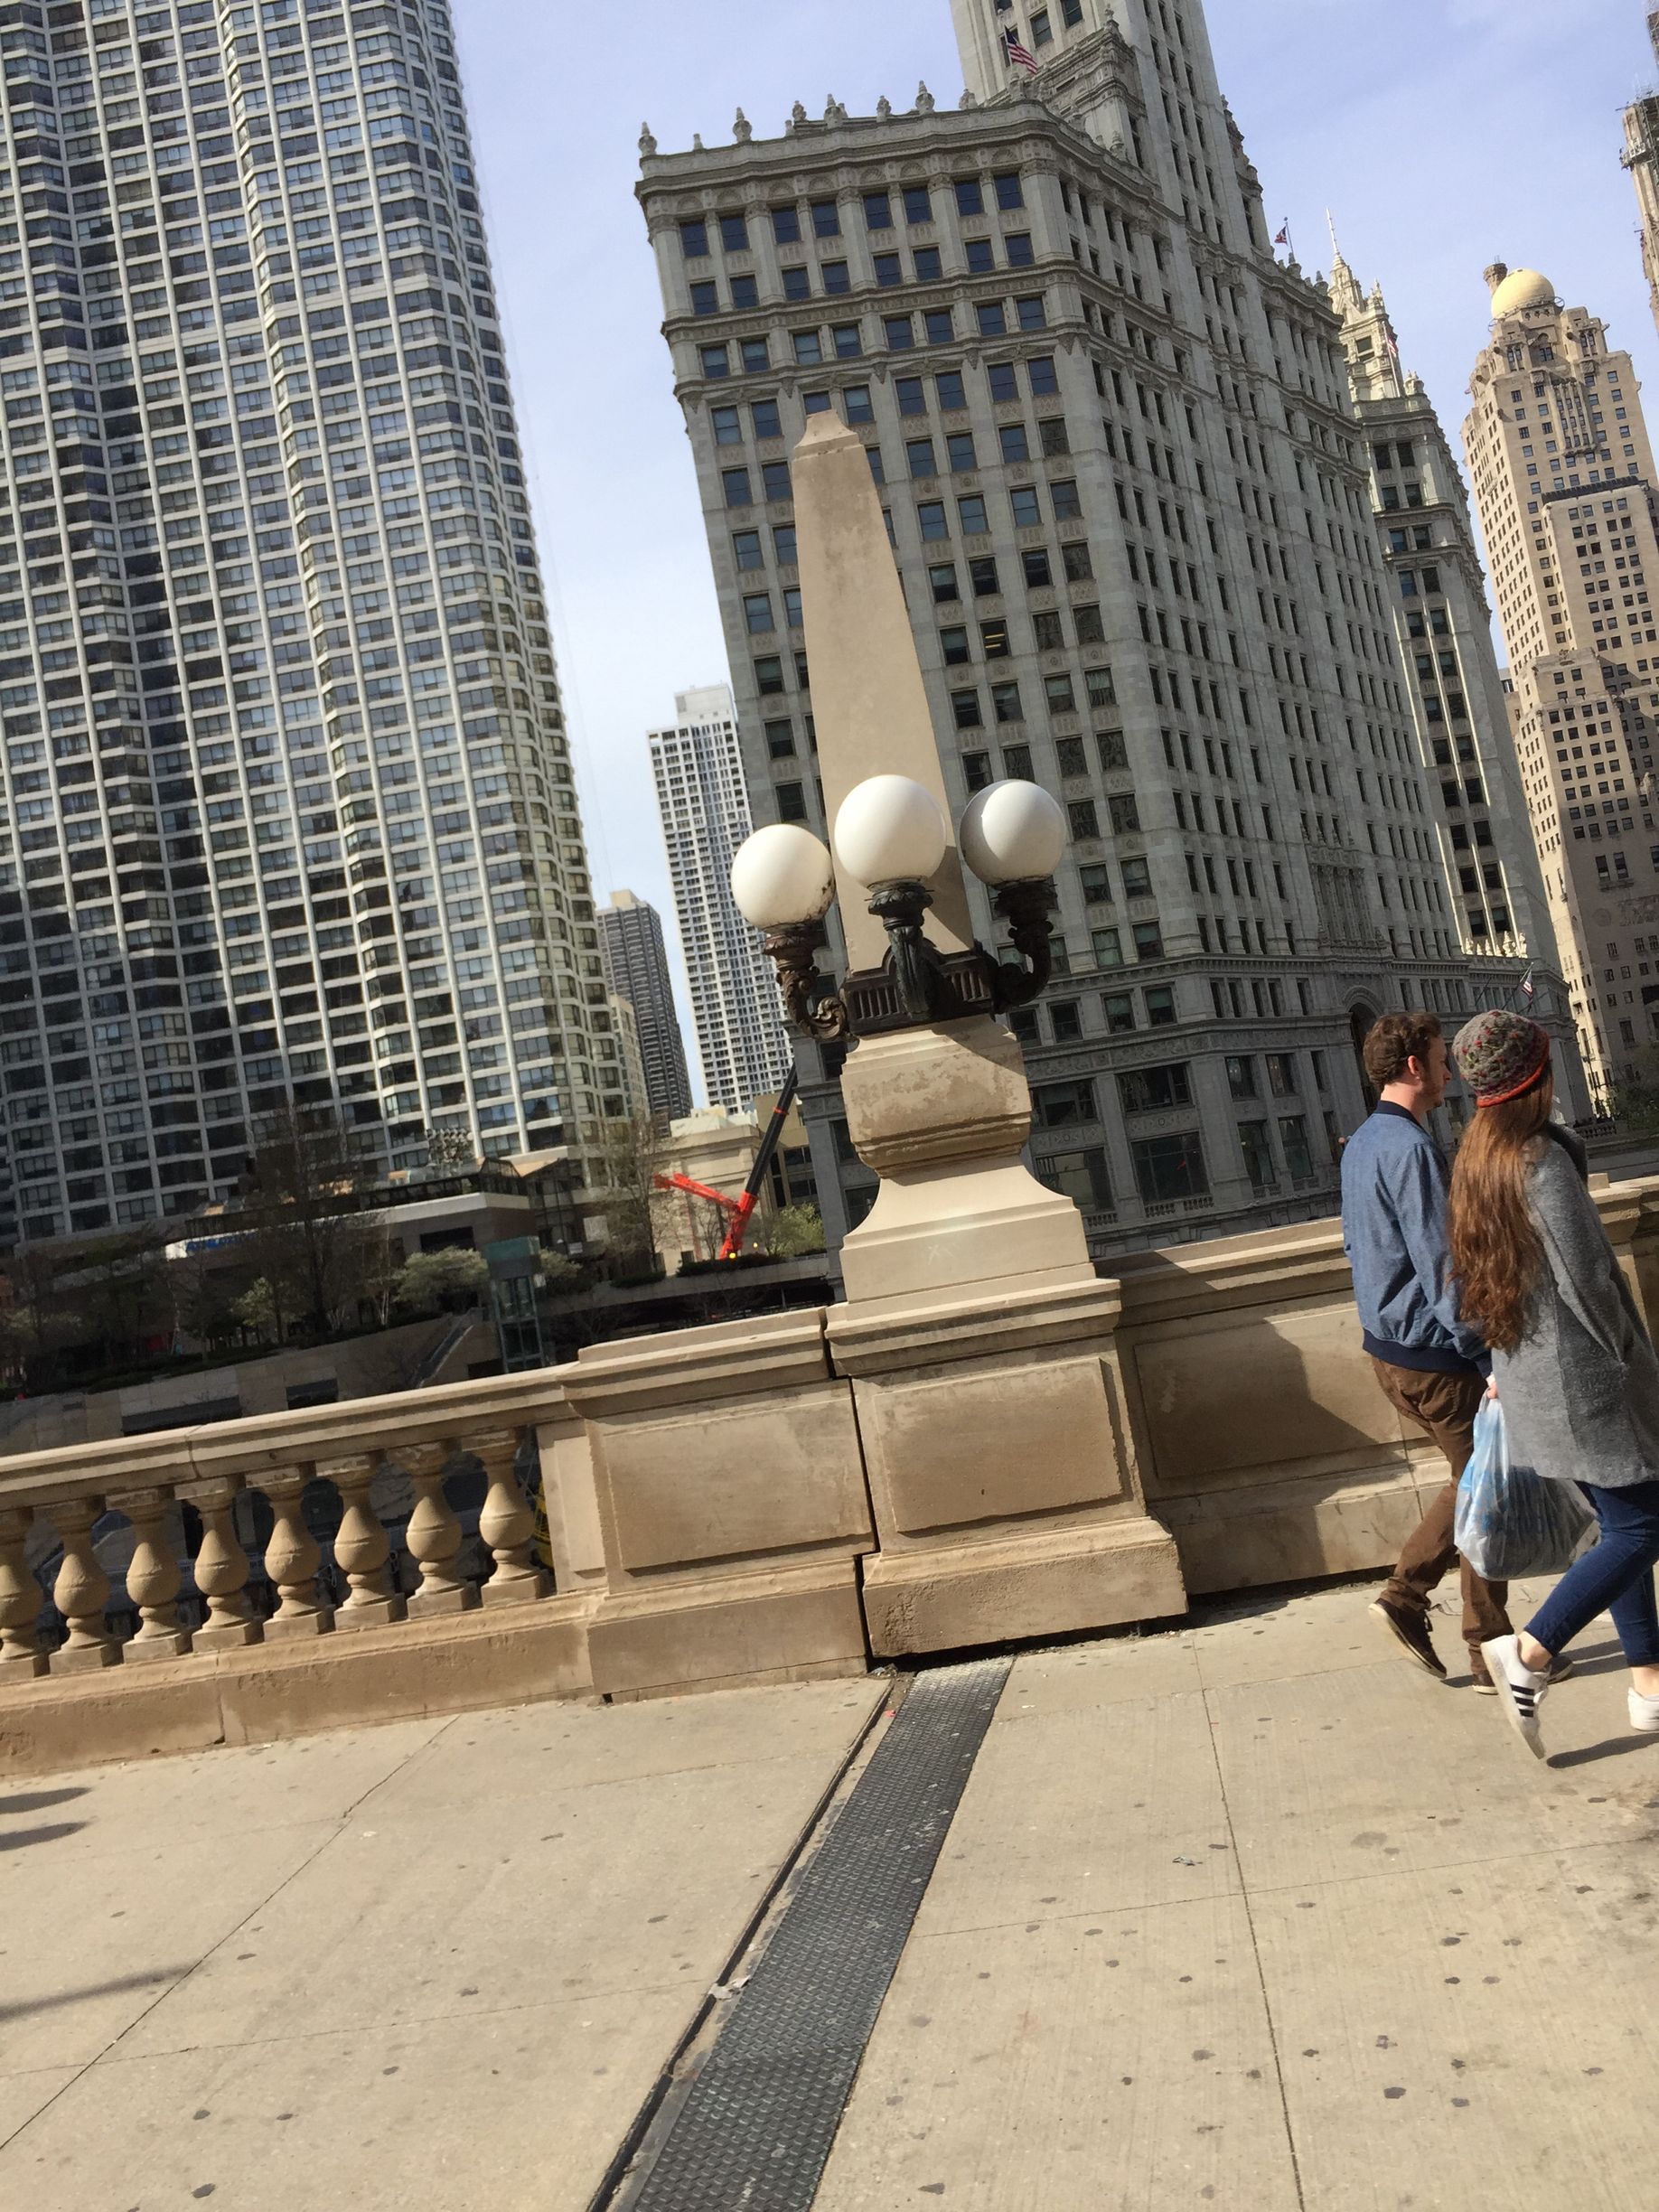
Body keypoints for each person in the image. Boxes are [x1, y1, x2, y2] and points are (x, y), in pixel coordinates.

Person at [1449, 1009, 1659, 1757]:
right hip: (1585, 1383)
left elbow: (1473, 1285)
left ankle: (1648, 1686)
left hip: (1533, 1377)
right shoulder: (1539, 1158)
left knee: (1620, 1522)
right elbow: (1588, 1280)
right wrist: (1630, 1361)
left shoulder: (1477, 1159)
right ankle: (1530, 1654)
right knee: (1642, 1525)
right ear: (1537, 1076)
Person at [1341, 1011, 1516, 1686]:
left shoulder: (1361, 1143)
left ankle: (1424, 1607)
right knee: (1487, 1490)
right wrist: (1485, 1358)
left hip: (1391, 1349)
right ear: (1414, 1066)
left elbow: (1360, 1248)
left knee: (1473, 1480)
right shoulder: (1411, 1149)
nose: (1450, 1070)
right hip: (1436, 1356)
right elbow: (1443, 1265)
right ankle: (1477, 1642)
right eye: (1443, 1058)